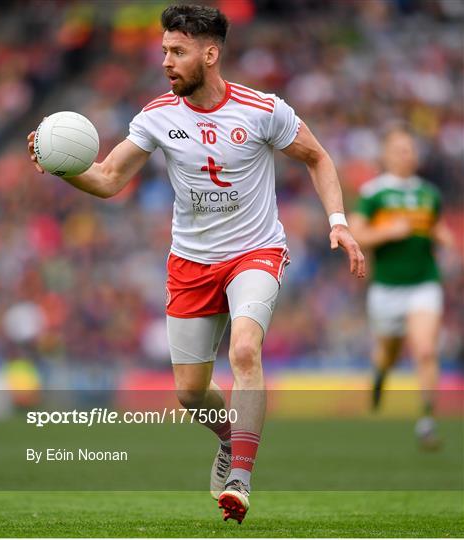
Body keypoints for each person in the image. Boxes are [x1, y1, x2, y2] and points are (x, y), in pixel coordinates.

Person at [27, 4, 365, 523]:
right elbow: (108, 179)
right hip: (190, 262)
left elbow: (317, 156)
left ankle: (241, 479)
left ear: (210, 53)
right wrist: (61, 167)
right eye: (164, 50)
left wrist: (338, 220)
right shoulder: (157, 115)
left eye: (177, 51)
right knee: (189, 392)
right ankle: (231, 439)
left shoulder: (262, 109)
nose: (166, 61)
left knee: (245, 351)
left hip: (255, 252)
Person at [349, 126, 453, 451]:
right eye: (399, 149)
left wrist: (445, 238)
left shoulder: (429, 194)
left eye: (410, 149)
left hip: (424, 282)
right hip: (387, 288)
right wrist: (388, 232)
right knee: (389, 354)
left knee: (424, 349)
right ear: (386, 155)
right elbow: (356, 235)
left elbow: (437, 229)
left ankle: (426, 421)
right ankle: (380, 374)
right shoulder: (373, 193)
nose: (406, 155)